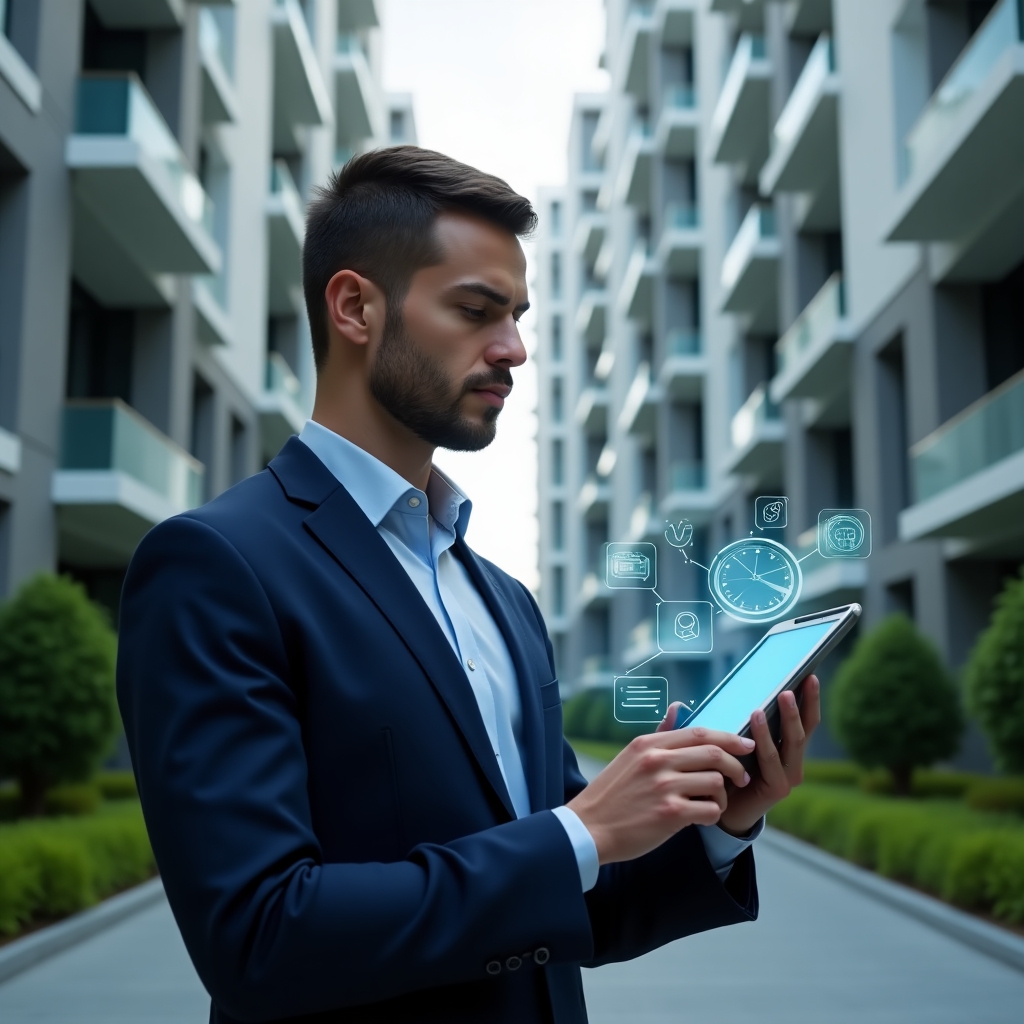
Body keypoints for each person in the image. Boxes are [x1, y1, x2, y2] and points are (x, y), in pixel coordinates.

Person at [117, 147, 820, 1024]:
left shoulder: (506, 601)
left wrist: (717, 826)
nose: (514, 349)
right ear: (354, 307)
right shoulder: (216, 566)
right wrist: (581, 831)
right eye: (476, 311)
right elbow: (257, 936)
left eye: (518, 315)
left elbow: (567, 903)